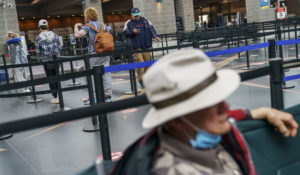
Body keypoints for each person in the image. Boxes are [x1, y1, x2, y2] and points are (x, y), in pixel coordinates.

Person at [110, 49, 298, 175]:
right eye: (211, 104)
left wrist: (263, 112)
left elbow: (225, 117)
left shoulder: (193, 133)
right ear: (176, 120)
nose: (226, 107)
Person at [74, 7, 112, 102]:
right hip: (106, 52)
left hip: (94, 53)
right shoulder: (103, 25)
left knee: (88, 74)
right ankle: (108, 96)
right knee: (106, 73)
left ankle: (96, 95)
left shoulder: (88, 26)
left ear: (88, 17)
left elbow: (77, 35)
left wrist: (76, 26)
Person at [123, 8, 160, 88]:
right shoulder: (128, 23)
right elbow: (125, 33)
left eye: (138, 15)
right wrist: (133, 32)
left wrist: (156, 36)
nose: (137, 17)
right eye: (135, 16)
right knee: (140, 62)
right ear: (132, 15)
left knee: (147, 63)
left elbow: (152, 29)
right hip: (136, 46)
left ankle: (147, 79)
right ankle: (141, 79)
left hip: (146, 45)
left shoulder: (145, 20)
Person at [35, 19, 62, 104]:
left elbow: (38, 51)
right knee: (57, 77)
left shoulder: (38, 38)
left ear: (39, 27)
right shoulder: (55, 35)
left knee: (51, 78)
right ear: (47, 26)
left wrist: (43, 55)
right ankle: (59, 95)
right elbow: (60, 46)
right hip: (56, 59)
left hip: (47, 60)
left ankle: (55, 97)